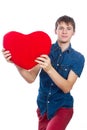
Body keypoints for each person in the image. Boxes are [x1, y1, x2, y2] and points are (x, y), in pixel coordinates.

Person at [2, 15, 85, 130]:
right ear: (55, 30)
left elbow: (67, 87)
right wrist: (15, 61)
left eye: (68, 28)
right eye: (61, 28)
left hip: (63, 107)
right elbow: (31, 78)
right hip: (43, 108)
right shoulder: (43, 48)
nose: (64, 31)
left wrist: (49, 69)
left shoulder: (78, 58)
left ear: (74, 32)